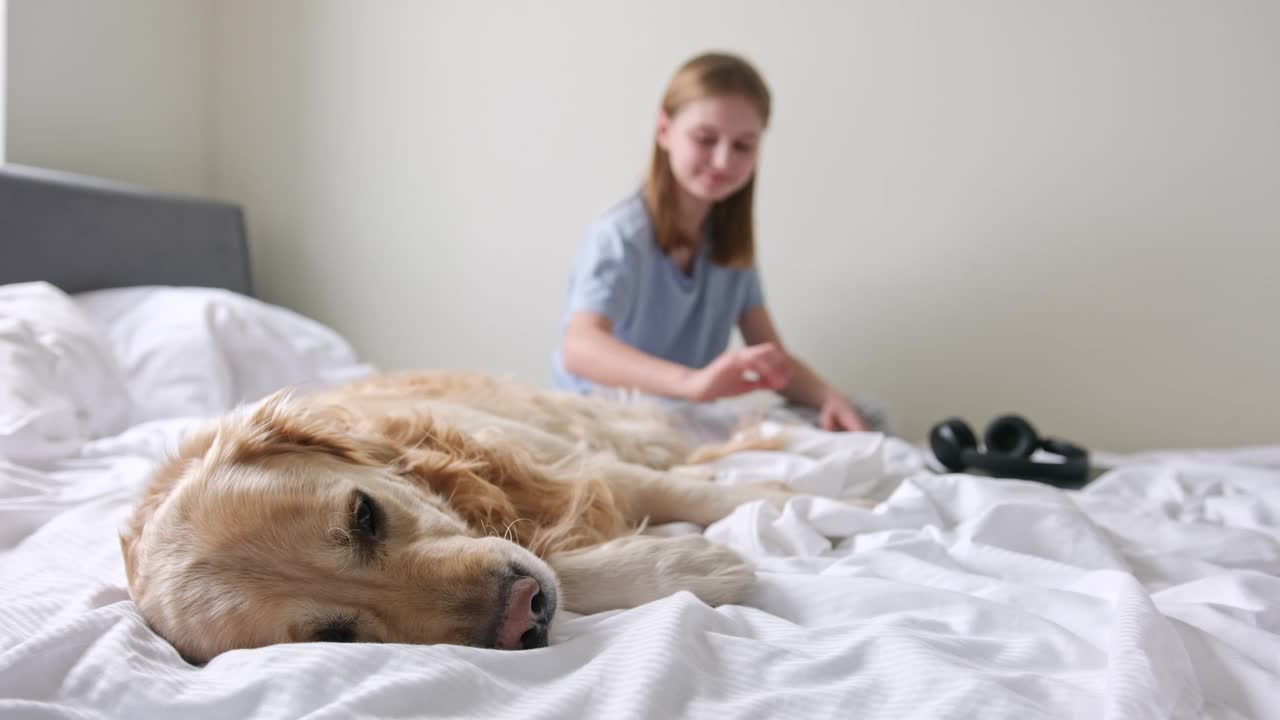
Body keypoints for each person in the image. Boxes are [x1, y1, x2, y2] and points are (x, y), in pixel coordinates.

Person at [552, 51, 869, 432]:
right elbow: (580, 347)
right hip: (600, 426)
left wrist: (829, 398)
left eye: (742, 146)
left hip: (677, 425)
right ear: (664, 130)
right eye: (705, 139)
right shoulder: (620, 235)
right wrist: (693, 384)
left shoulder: (729, 246)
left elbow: (773, 357)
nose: (722, 161)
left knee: (864, 416)